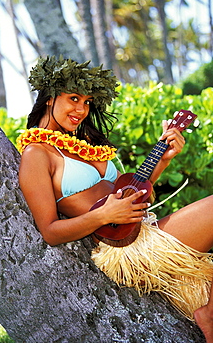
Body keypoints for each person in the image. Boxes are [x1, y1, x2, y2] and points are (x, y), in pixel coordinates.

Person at [17, 55, 213, 342]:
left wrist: (164, 158)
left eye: (86, 102)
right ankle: (207, 315)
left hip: (146, 232)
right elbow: (49, 231)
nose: (81, 109)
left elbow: (130, 193)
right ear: (49, 97)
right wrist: (103, 216)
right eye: (73, 98)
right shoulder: (37, 154)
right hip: (124, 250)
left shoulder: (84, 147)